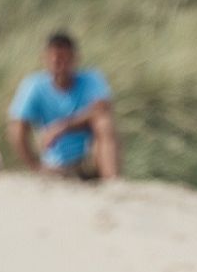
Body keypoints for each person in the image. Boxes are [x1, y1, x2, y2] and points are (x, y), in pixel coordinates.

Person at [7, 31, 121, 180]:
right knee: (16, 127)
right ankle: (38, 169)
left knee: (104, 123)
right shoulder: (33, 85)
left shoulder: (92, 79)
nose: (59, 65)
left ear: (75, 59)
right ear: (45, 59)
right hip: (55, 164)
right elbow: (17, 126)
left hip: (89, 159)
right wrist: (35, 165)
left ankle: (111, 181)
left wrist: (62, 127)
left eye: (63, 59)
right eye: (54, 59)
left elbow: (103, 108)